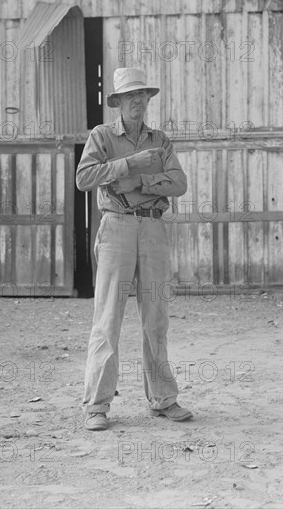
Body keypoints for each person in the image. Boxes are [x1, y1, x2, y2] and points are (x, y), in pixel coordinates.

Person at [76, 68, 193, 431]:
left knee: (156, 317)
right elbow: (84, 178)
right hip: (118, 229)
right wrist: (126, 164)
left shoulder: (161, 141)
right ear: (118, 101)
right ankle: (96, 406)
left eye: (142, 95)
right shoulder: (102, 136)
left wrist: (139, 181)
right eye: (130, 96)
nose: (138, 102)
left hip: (153, 229)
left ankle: (163, 399)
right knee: (108, 318)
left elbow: (179, 183)